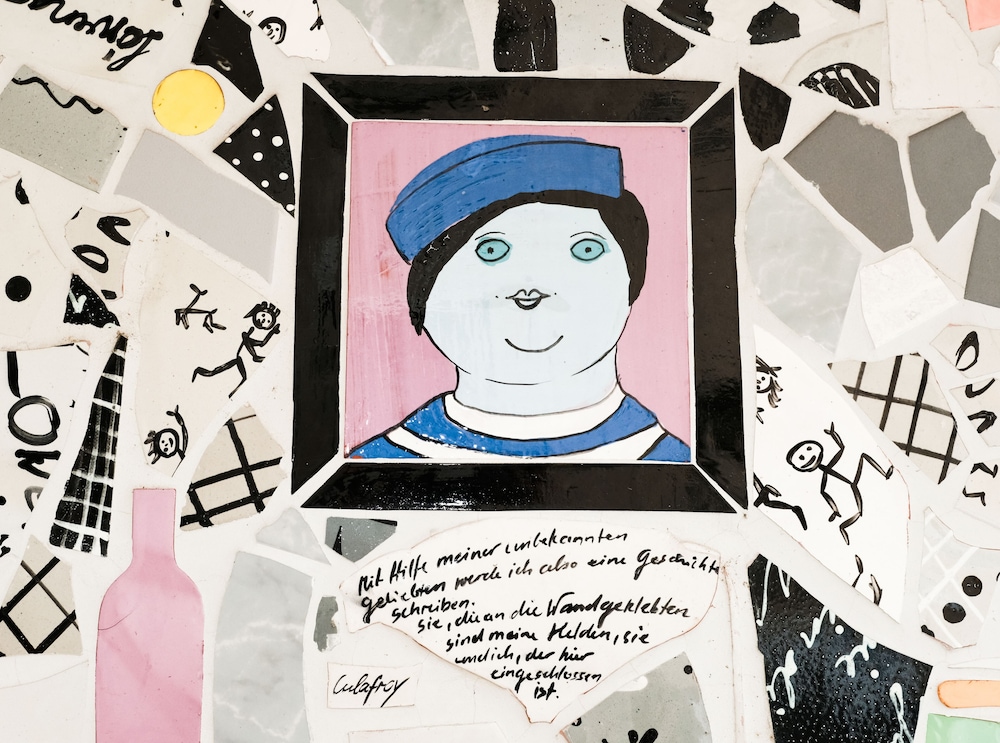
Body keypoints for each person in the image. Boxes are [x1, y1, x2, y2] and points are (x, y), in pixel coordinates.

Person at [350, 134, 689, 461]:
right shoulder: (374, 464)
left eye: (586, 249)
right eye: (491, 250)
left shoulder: (674, 463)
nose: (532, 291)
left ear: (631, 280)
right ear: (424, 293)